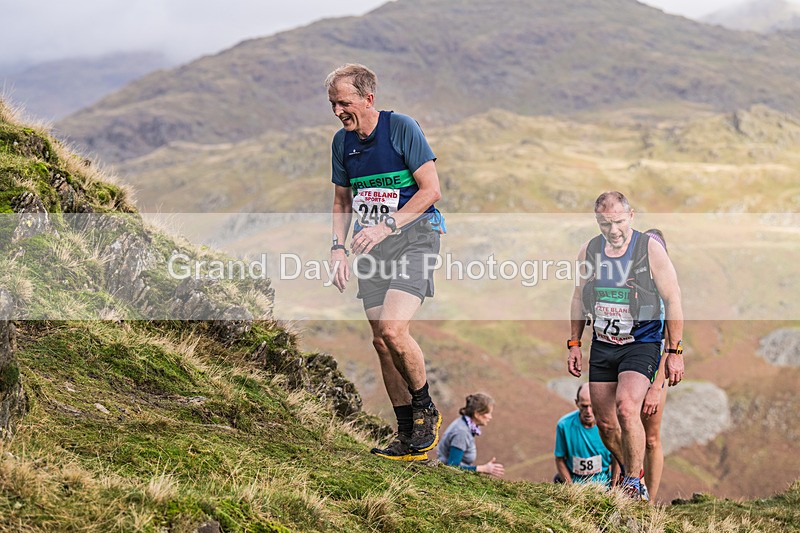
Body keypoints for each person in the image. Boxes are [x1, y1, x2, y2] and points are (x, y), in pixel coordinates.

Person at [326, 64, 446, 461]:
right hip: (370, 247)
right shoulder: (342, 144)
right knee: (380, 341)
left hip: (415, 237)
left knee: (394, 330)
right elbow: (343, 201)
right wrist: (337, 248)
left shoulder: (400, 128)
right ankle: (407, 436)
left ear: (368, 99)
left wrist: (388, 225)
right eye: (332, 104)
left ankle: (425, 408)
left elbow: (431, 189)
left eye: (344, 102)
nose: (338, 111)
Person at [567, 191, 684, 501]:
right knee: (606, 424)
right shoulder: (589, 251)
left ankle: (632, 483)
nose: (613, 230)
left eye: (618, 222)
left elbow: (673, 299)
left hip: (641, 343)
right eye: (605, 224)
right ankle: (633, 471)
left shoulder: (650, 250)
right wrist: (575, 343)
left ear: (631, 217)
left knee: (627, 408)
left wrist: (674, 352)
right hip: (604, 344)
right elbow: (579, 297)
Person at [640, 228, 669, 501]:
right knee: (624, 427)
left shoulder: (666, 297)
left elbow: (669, 346)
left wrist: (657, 387)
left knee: (650, 438)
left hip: (655, 372)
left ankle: (648, 501)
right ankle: (623, 488)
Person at [554, 383, 615, 487]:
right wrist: (571, 488)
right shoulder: (564, 425)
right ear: (577, 403)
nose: (588, 411)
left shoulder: (610, 424)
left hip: (604, 482)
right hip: (575, 482)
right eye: (584, 406)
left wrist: (614, 488)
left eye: (592, 406)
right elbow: (559, 459)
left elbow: (617, 459)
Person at [437, 393, 505, 477]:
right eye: (488, 413)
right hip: (446, 477)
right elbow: (452, 467)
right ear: (477, 414)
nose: (490, 417)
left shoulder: (464, 425)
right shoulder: (461, 432)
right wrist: (483, 469)